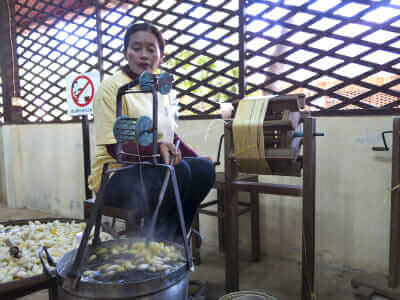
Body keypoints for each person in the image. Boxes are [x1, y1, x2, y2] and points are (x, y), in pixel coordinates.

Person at [88, 22, 216, 242]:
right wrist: (156, 149)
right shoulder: (111, 88)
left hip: (153, 168)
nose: (144, 56)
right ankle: (153, 244)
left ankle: (172, 242)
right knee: (178, 172)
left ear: (161, 57)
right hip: (116, 175)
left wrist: (195, 157)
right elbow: (115, 147)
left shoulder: (159, 89)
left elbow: (169, 136)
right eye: (136, 48)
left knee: (203, 170)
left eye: (151, 49)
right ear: (125, 53)